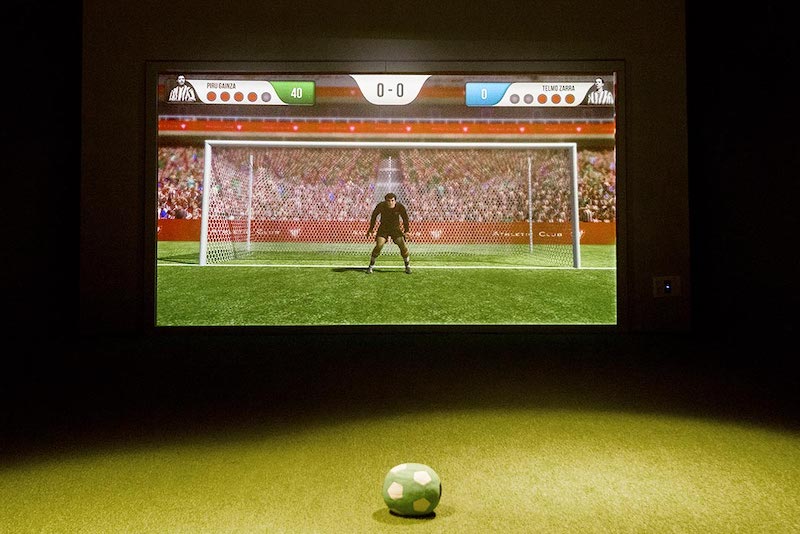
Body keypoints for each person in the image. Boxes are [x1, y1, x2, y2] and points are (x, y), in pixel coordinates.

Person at [366, 192, 411, 274]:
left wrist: (407, 231)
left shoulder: (400, 206)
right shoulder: (381, 205)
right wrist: (371, 229)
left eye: (392, 200)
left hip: (395, 229)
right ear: (385, 201)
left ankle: (407, 266)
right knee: (379, 246)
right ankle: (371, 266)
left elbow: (405, 218)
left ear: (395, 201)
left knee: (403, 246)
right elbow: (374, 216)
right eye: (388, 201)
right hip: (384, 228)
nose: (390, 202)